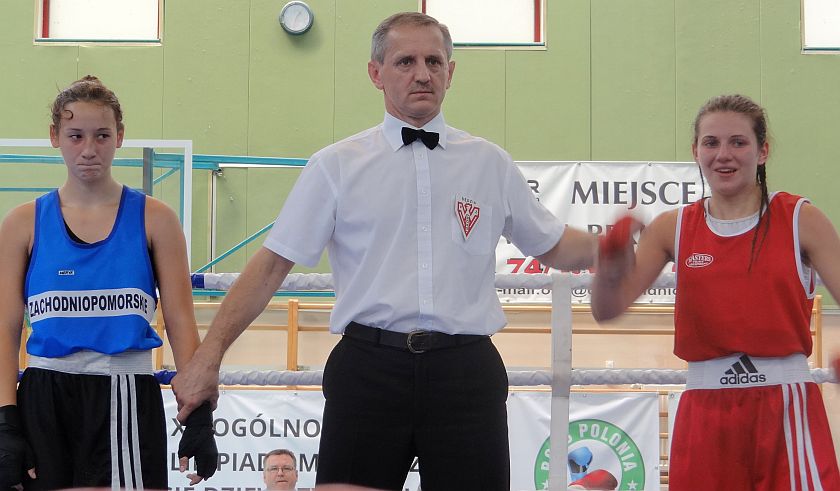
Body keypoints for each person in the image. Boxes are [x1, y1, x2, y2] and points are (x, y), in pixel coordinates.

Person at [172, 11, 597, 490]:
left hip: (465, 373)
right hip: (368, 370)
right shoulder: (335, 166)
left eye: (434, 61)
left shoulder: (490, 163)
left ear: (451, 72)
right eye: (405, 62)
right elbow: (271, 266)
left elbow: (555, 246)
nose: (422, 74)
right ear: (376, 73)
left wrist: (623, 247)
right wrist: (208, 358)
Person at [591, 94, 840, 489]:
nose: (724, 154)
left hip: (785, 409)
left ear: (762, 151)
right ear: (696, 151)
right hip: (704, 412)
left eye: (738, 142)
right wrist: (609, 267)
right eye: (711, 143)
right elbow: (606, 310)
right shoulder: (671, 228)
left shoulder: (800, 219)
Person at [0, 76, 217, 490]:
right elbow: (4, 329)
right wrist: (4, 420)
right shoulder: (22, 223)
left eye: (101, 135)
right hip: (44, 396)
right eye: (75, 136)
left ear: (119, 136)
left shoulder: (156, 219)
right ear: (55, 137)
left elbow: (181, 324)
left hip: (125, 392)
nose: (89, 149)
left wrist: (200, 414)